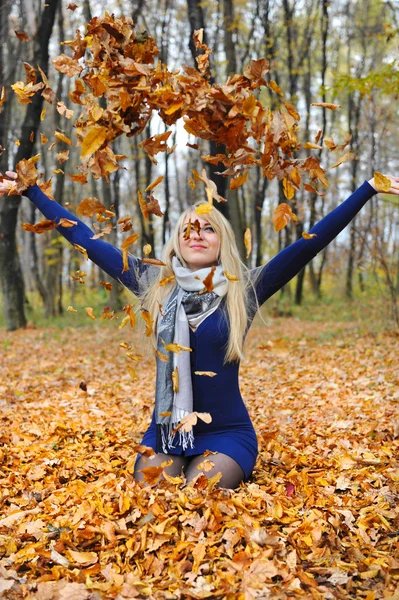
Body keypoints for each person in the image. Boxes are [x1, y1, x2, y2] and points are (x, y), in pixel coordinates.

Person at [1, 171, 398, 489]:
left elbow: (309, 244)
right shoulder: (151, 283)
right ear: (176, 241)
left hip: (227, 433)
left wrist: (366, 190)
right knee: (153, 494)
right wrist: (32, 190)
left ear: (221, 241)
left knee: (200, 496)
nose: (196, 234)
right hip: (165, 433)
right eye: (188, 229)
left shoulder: (245, 289)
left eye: (207, 229)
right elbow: (83, 237)